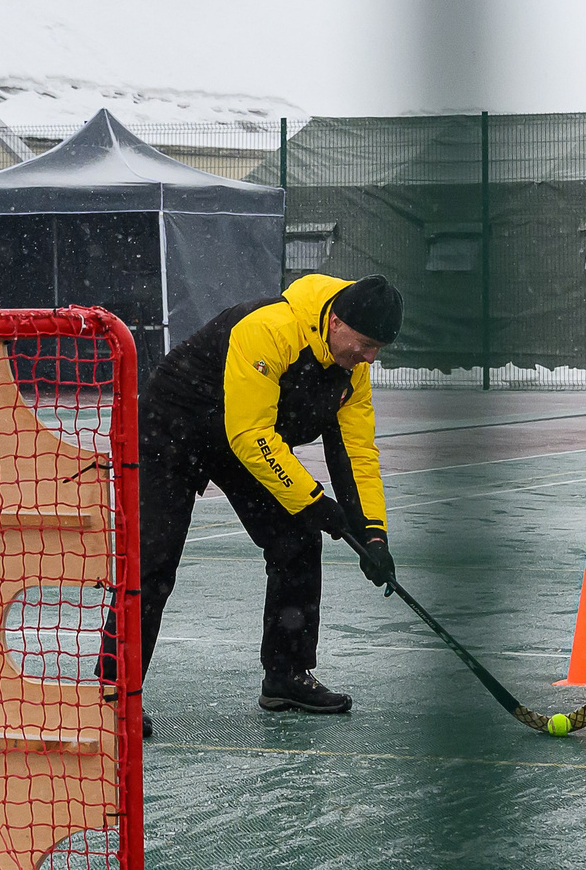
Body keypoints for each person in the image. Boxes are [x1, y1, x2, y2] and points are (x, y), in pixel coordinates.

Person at [109, 273, 404, 728]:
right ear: (337, 322)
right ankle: (116, 692)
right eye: (365, 343)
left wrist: (373, 536)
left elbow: (356, 453)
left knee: (298, 540)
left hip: (237, 439)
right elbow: (251, 433)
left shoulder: (352, 372)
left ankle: (286, 675)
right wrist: (313, 499)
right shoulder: (271, 329)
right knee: (153, 559)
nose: (369, 357)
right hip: (173, 429)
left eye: (378, 349)